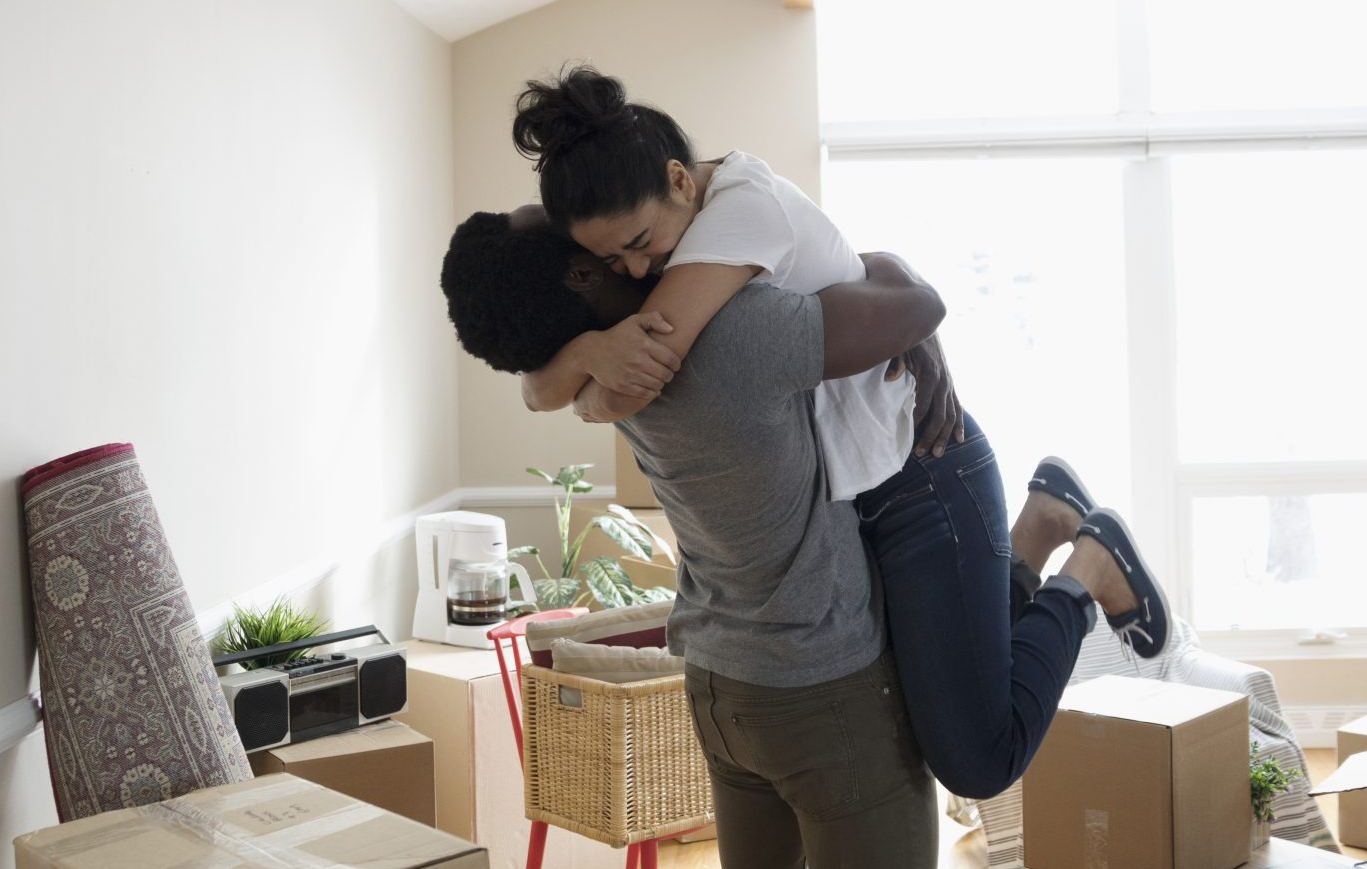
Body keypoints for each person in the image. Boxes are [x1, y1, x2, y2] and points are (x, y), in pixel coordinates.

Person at [502, 66, 1173, 796]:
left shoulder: (736, 216)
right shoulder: (700, 223)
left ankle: (1089, 569)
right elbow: (552, 384)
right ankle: (1040, 526)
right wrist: (584, 354)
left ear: (679, 181)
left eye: (639, 242)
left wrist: (587, 364)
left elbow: (629, 384)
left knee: (978, 759)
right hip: (864, 485)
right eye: (610, 262)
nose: (636, 269)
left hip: (923, 476)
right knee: (941, 709)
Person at [440, 207, 1175, 867]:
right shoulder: (723, 335)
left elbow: (535, 381)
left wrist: (574, 360)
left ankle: (1063, 547)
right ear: (580, 271)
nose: (579, 216)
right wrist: (918, 331)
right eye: (557, 219)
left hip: (774, 627)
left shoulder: (598, 381)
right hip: (807, 666)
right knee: (978, 735)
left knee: (975, 734)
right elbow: (913, 302)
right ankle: (1062, 549)